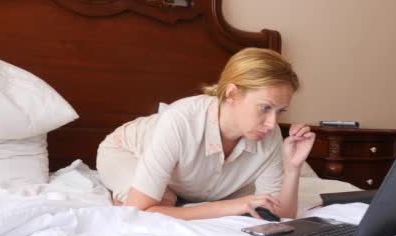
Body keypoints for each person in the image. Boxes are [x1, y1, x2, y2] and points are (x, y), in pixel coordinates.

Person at [96, 47, 315, 220]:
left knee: (171, 203)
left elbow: (281, 215)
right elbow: (141, 211)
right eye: (265, 107)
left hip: (184, 179)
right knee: (162, 202)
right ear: (232, 93)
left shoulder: (269, 134)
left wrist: (292, 168)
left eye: (280, 111)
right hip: (126, 150)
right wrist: (229, 206)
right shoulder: (180, 120)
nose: (272, 123)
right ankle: (123, 199)